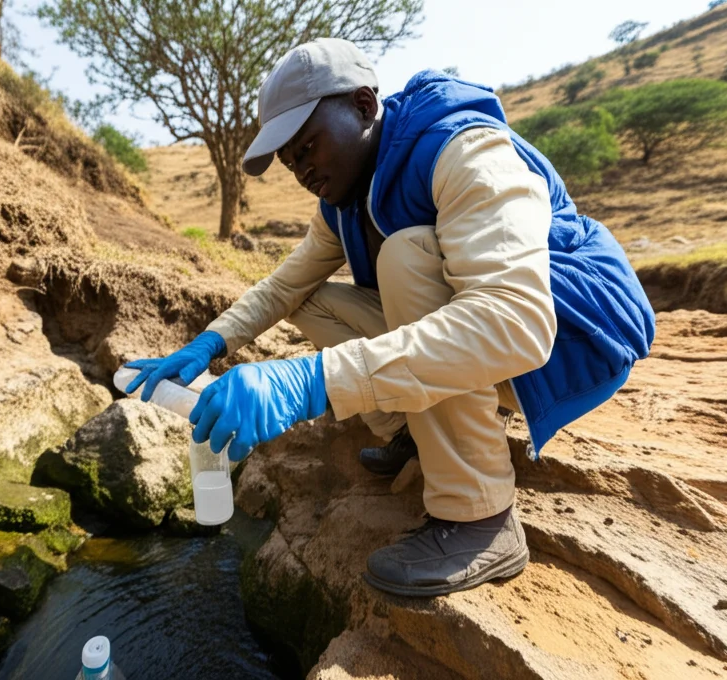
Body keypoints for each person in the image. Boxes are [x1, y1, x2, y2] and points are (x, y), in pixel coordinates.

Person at [123, 38, 655, 597]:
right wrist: (209, 343)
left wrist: (310, 381)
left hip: (579, 334)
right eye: (290, 161)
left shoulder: (462, 148)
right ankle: (416, 430)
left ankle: (482, 517)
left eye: (308, 146)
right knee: (308, 296)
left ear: (362, 104)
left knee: (405, 257)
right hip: (505, 335)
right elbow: (283, 286)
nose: (302, 170)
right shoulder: (346, 198)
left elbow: (514, 320)